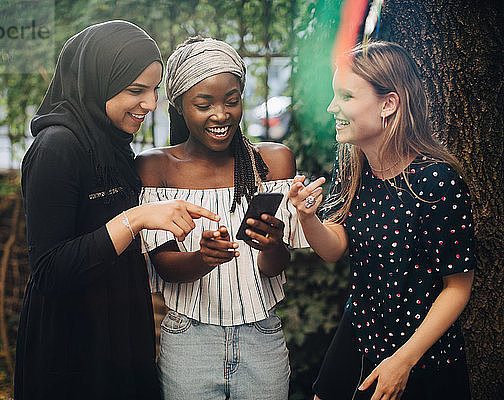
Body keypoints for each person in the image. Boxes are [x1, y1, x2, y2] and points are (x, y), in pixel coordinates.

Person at [14, 22, 219, 400]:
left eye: (155, 89)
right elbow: (50, 271)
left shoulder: (114, 145)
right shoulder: (57, 149)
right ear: (98, 82)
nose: (151, 103)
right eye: (135, 90)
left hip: (121, 332)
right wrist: (136, 219)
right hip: (72, 349)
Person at [288, 41, 475, 400]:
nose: (332, 108)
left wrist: (402, 361)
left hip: (422, 354)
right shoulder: (356, 166)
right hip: (358, 332)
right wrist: (308, 218)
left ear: (389, 103)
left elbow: (457, 288)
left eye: (346, 96)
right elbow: (335, 247)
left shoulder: (437, 181)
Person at [137, 37, 308, 400]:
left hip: (261, 336)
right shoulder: (156, 167)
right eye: (204, 104)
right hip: (189, 340)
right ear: (179, 105)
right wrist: (203, 258)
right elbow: (165, 266)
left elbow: (277, 267)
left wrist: (273, 244)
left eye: (232, 101)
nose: (221, 114)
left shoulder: (272, 162)